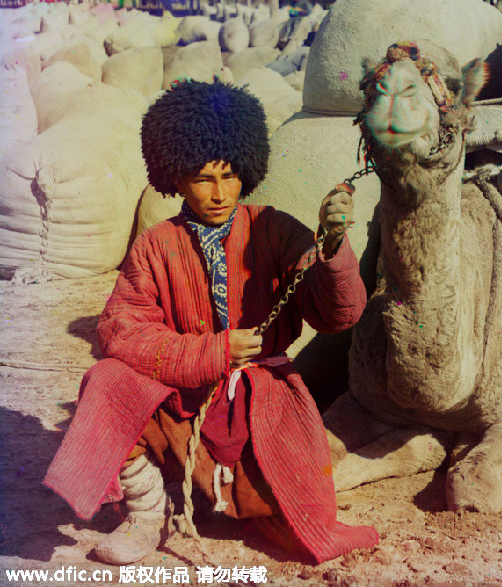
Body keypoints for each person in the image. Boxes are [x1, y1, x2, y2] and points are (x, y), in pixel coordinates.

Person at [44, 80, 378, 565]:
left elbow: (340, 314)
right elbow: (120, 331)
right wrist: (212, 352)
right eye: (202, 179)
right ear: (176, 179)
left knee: (297, 530)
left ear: (245, 169)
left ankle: (224, 493)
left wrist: (330, 250)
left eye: (229, 176)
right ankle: (146, 514)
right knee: (108, 381)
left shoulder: (275, 228)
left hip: (260, 401)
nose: (220, 194)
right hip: (185, 400)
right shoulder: (155, 245)